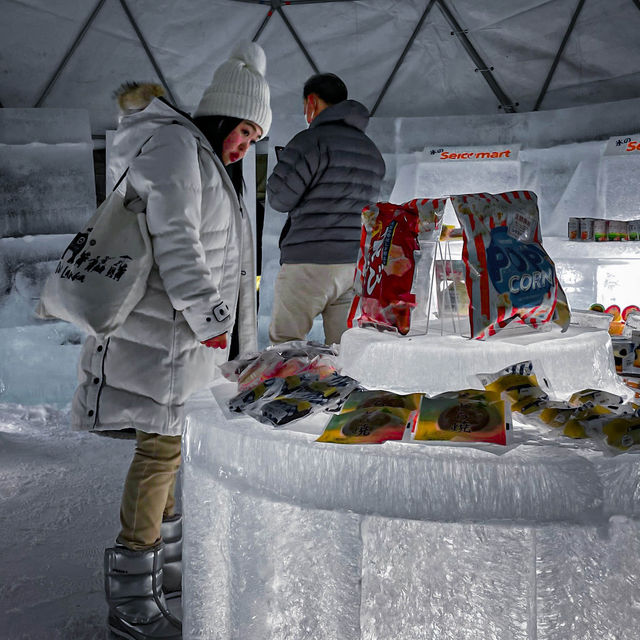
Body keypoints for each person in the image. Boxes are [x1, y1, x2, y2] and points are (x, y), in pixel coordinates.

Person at [71, 42, 271, 640]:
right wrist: (213, 317)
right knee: (159, 449)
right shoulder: (178, 148)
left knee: (171, 444)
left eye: (256, 139)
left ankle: (167, 566)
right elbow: (179, 241)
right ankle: (133, 597)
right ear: (221, 117)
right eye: (244, 131)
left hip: (181, 337)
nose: (246, 146)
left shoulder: (197, 153)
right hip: (168, 333)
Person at [266, 72, 385, 345]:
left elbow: (279, 199)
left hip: (309, 261)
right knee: (346, 350)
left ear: (311, 102)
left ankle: (290, 389)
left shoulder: (310, 141)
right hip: (354, 264)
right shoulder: (371, 150)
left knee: (287, 346)